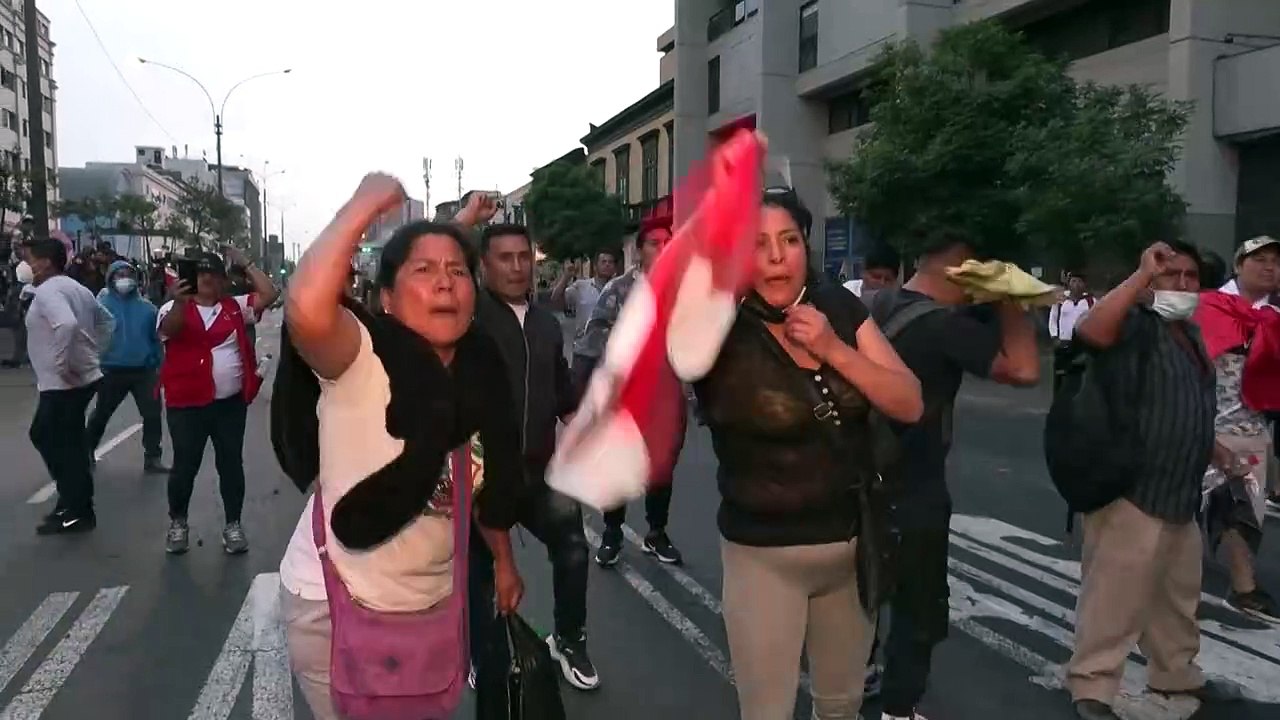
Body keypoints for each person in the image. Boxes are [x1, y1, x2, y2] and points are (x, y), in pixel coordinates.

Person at [276, 174, 525, 720]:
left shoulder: (473, 378)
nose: (446, 284)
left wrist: (503, 561)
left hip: (427, 607)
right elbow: (306, 307)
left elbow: (480, 484)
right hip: (340, 604)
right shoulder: (361, 360)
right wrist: (363, 204)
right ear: (386, 299)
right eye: (424, 272)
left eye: (458, 273)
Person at [693, 188, 922, 720]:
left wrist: (833, 350)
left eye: (789, 240)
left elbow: (908, 401)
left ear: (806, 248)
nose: (776, 256)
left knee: (841, 708)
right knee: (767, 712)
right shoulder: (715, 327)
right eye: (758, 244)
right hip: (762, 554)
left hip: (850, 546)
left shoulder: (838, 307)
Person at [869, 228, 1041, 720]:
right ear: (962, 268)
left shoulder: (880, 305)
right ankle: (899, 709)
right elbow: (1025, 369)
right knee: (919, 606)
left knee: (860, 594)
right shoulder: (944, 324)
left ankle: (853, 684)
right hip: (913, 483)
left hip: (861, 473)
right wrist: (1011, 298)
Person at [1067, 241, 1242, 720]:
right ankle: (1093, 687)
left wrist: (1215, 449)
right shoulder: (1132, 324)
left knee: (1176, 597)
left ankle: (1176, 674)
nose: (1184, 285)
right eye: (1172, 276)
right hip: (1131, 490)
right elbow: (1089, 330)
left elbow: (1184, 402)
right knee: (1114, 596)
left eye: (1191, 277)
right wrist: (1141, 273)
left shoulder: (1189, 334)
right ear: (1149, 284)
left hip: (1180, 491)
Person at [472, 218, 598, 690]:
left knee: (572, 549)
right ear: (484, 265)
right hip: (482, 474)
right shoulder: (470, 319)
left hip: (540, 472)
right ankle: (482, 650)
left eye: (524, 257)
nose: (517, 267)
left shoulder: (546, 321)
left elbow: (562, 391)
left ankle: (568, 640)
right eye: (505, 258)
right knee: (481, 573)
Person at [157, 246, 278, 555]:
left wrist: (246, 262)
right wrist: (179, 302)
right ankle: (179, 523)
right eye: (200, 274)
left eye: (213, 274)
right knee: (185, 466)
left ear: (225, 281)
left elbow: (269, 294)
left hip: (229, 404)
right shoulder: (173, 308)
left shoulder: (235, 307)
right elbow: (169, 331)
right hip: (187, 404)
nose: (207, 279)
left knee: (231, 465)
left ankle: (233, 525)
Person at [24, 237, 115, 534]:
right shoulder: (76, 288)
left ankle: (76, 506)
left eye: (31, 259)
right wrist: (92, 354)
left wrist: (63, 363)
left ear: (46, 262)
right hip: (78, 377)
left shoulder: (49, 291)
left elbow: (66, 324)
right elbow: (107, 322)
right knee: (69, 440)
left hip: (63, 381)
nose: (27, 265)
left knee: (49, 436)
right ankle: (74, 504)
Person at [87, 260, 167, 474]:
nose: (124, 279)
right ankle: (86, 451)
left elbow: (157, 339)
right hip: (111, 370)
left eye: (128, 274)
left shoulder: (148, 309)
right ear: (110, 279)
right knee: (102, 413)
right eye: (118, 274)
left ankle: (152, 457)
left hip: (144, 371)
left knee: (152, 414)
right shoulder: (100, 307)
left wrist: (160, 365)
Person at [551, 249, 618, 350]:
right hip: (584, 351)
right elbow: (555, 298)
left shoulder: (618, 289)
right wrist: (566, 277)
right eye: (603, 262)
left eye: (610, 262)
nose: (607, 265)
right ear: (595, 267)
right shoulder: (581, 286)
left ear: (614, 268)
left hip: (610, 351)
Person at [1049, 273, 1096, 393]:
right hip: (1063, 343)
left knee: (1079, 377)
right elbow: (1053, 319)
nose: (1076, 285)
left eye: (1079, 281)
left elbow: (1097, 320)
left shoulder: (1091, 302)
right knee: (1060, 377)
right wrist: (1055, 337)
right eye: (1073, 281)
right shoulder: (1060, 300)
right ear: (1069, 284)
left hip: (1082, 345)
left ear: (1085, 285)